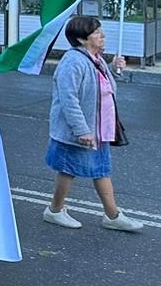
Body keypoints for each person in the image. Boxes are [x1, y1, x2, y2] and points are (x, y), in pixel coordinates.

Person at [43, 15, 143, 234]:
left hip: (99, 129)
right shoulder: (73, 62)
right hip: (81, 131)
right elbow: (69, 99)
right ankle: (55, 210)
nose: (103, 36)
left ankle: (112, 215)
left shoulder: (94, 59)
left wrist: (113, 67)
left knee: (101, 170)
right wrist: (81, 130)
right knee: (68, 170)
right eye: (97, 33)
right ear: (81, 39)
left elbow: (99, 86)